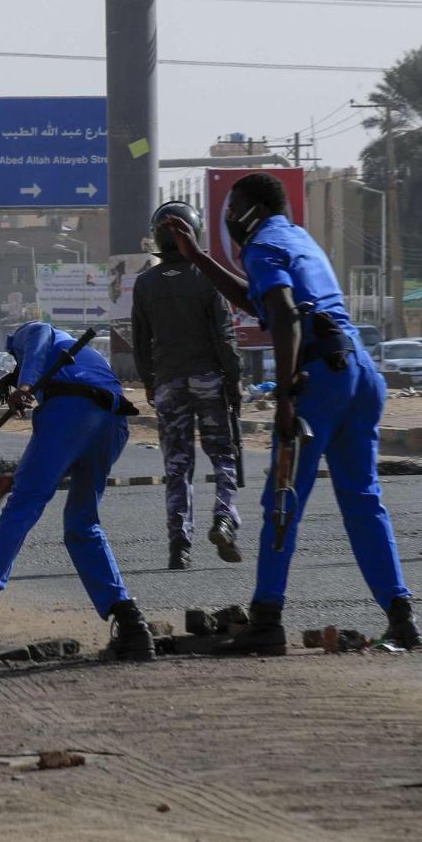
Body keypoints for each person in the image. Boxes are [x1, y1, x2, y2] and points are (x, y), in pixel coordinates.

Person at [163, 172, 421, 653]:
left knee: (282, 501)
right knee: (363, 501)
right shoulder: (298, 239)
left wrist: (284, 395)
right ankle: (401, 616)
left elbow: (282, 313)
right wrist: (199, 258)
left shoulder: (260, 246)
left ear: (253, 211)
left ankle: (266, 621)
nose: (228, 217)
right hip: (361, 375)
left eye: (233, 208)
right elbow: (258, 299)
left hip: (318, 381)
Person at [0, 321, 156, 663]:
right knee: (82, 525)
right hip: (112, 423)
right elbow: (62, 456)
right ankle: (133, 626)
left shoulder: (35, 333)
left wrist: (25, 383)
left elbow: (39, 338)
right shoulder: (81, 360)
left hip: (70, 413)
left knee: (19, 513)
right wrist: (12, 477)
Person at [132, 201, 244, 570]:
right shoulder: (207, 278)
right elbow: (225, 336)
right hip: (209, 380)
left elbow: (140, 339)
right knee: (224, 457)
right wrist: (235, 378)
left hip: (167, 383)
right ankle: (224, 521)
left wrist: (149, 382)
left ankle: (179, 545)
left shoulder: (145, 283)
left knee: (178, 466)